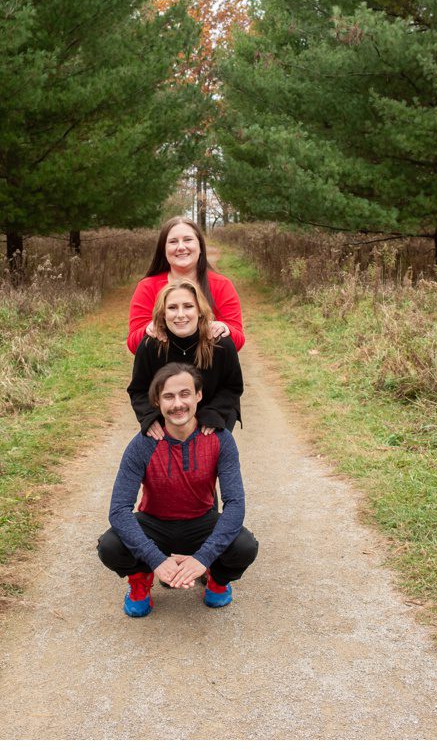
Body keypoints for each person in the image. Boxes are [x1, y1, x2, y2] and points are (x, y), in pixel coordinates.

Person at [97, 362, 259, 616]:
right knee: (110, 545)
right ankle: (140, 581)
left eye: (185, 394)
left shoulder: (220, 439)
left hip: (201, 522)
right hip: (154, 523)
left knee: (245, 545)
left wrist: (203, 557)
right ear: (157, 403)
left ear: (198, 395)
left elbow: (235, 505)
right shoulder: (142, 444)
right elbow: (119, 510)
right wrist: (156, 560)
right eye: (168, 397)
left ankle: (216, 579)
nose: (177, 404)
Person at [127, 280, 242, 438]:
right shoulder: (150, 346)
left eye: (188, 306)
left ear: (200, 311)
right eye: (172, 308)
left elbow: (232, 387)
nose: (180, 314)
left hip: (215, 415)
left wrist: (213, 415)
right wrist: (150, 417)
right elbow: (138, 390)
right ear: (163, 313)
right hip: (167, 419)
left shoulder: (221, 344)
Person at [127, 217, 244, 354]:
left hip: (210, 370)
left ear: (200, 247)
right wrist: (148, 330)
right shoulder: (147, 287)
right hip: (162, 372)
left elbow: (238, 341)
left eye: (188, 240)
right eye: (173, 242)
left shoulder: (222, 285)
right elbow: (133, 345)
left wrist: (225, 329)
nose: (181, 247)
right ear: (163, 250)